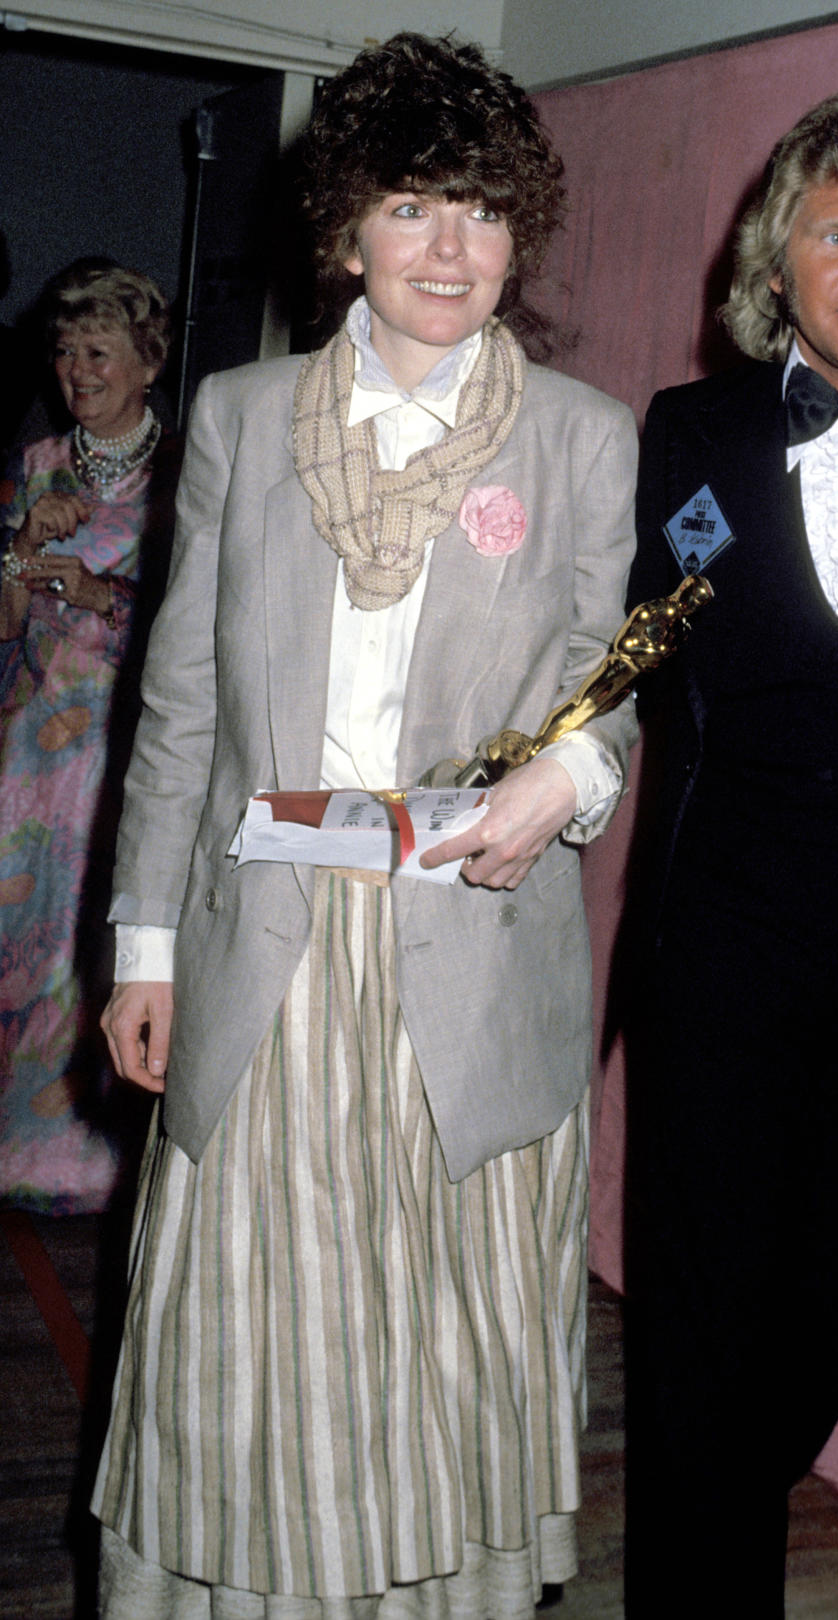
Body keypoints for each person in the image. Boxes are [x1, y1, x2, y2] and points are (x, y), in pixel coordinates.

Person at [92, 33, 639, 1617]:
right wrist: (144, 946)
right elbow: (180, 703)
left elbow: (616, 680)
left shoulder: (585, 439)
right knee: (255, 1329)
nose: (450, 250)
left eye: (479, 210)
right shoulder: (244, 421)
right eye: (411, 209)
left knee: (431, 1330)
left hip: (466, 948)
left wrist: (577, 775)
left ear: (518, 230)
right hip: (263, 934)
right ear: (347, 231)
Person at [622, 83, 838, 1616]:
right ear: (780, 265)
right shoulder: (690, 434)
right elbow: (623, 654)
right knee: (703, 1307)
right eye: (836, 234)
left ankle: (709, 1492)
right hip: (729, 936)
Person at [0, 263, 177, 1214]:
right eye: (64, 351)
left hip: (125, 751)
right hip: (31, 753)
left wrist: (97, 591)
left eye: (96, 350)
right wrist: (24, 552)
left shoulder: (183, 474)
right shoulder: (35, 465)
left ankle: (88, 1154)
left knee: (96, 946)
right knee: (18, 940)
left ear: (146, 360)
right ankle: (12, 1139)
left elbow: (199, 628)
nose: (76, 370)